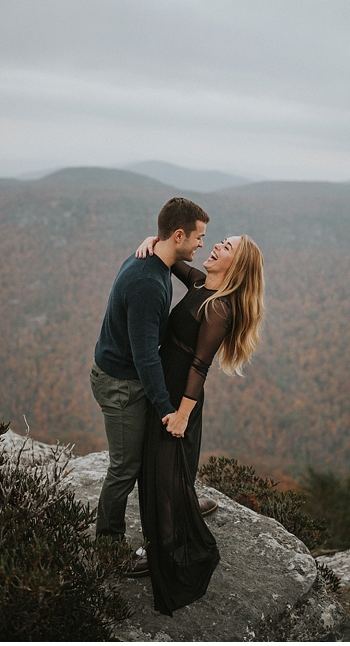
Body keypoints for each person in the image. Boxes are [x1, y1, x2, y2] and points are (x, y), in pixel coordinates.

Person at [134, 232, 265, 615]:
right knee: (166, 466)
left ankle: (160, 545)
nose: (217, 246)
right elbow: (173, 260)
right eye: (220, 240)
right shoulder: (199, 282)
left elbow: (200, 366)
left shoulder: (220, 308)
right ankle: (184, 504)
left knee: (163, 468)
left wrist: (182, 416)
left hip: (180, 394)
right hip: (165, 382)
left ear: (236, 265)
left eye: (227, 247)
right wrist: (152, 241)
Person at [90, 197, 210, 561]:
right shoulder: (147, 282)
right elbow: (144, 357)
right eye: (198, 237)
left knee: (153, 453)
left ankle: (179, 507)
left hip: (127, 377)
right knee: (126, 467)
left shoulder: (156, 260)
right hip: (120, 384)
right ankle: (107, 547)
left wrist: (151, 239)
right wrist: (166, 409)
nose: (202, 244)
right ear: (178, 235)